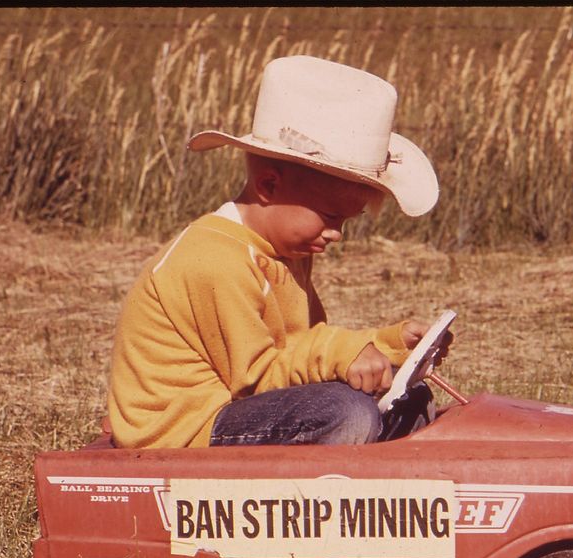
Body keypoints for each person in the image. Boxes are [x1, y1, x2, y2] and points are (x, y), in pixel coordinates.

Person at [106, 54, 445, 449]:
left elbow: (300, 344)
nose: (336, 234)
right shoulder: (214, 261)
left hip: (237, 406)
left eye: (346, 222)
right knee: (345, 411)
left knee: (409, 401)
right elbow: (256, 377)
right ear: (268, 185)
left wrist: (388, 345)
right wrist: (342, 353)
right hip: (185, 431)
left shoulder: (285, 252)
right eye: (330, 216)